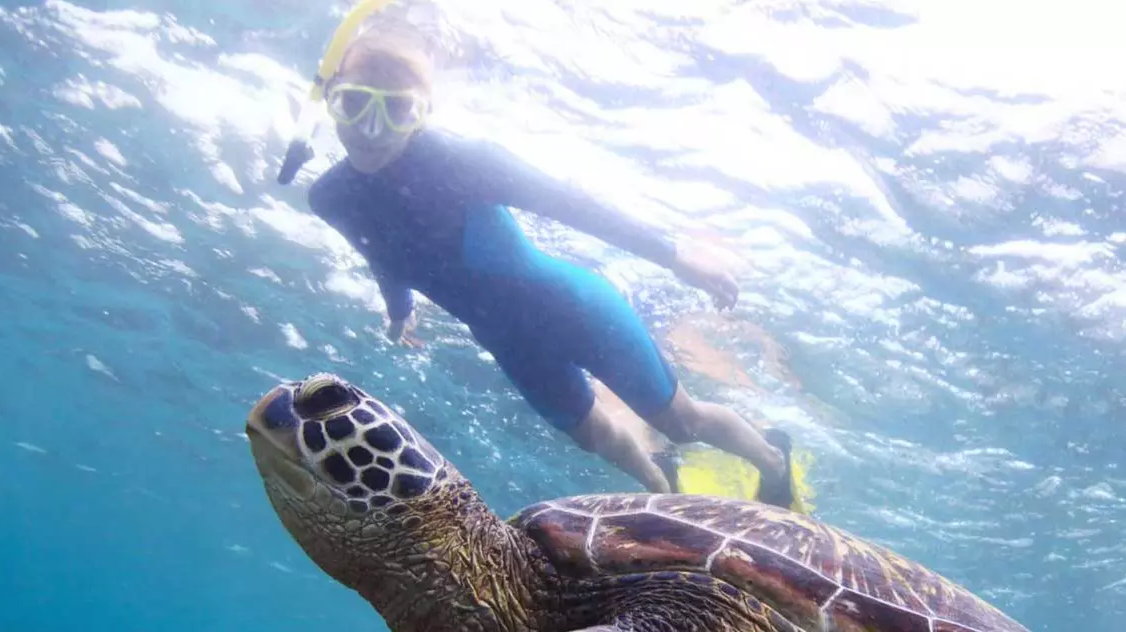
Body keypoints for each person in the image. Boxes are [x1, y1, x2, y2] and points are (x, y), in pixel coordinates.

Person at [302, 21, 796, 502]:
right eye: (354, 103)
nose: (371, 130)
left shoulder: (461, 162)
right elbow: (380, 250)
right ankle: (663, 496)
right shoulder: (330, 198)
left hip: (576, 309)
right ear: (330, 98)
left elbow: (571, 204)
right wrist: (398, 309)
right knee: (598, 438)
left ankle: (773, 461)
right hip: (511, 343)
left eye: (397, 111)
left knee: (683, 423)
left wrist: (673, 255)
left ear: (424, 113)